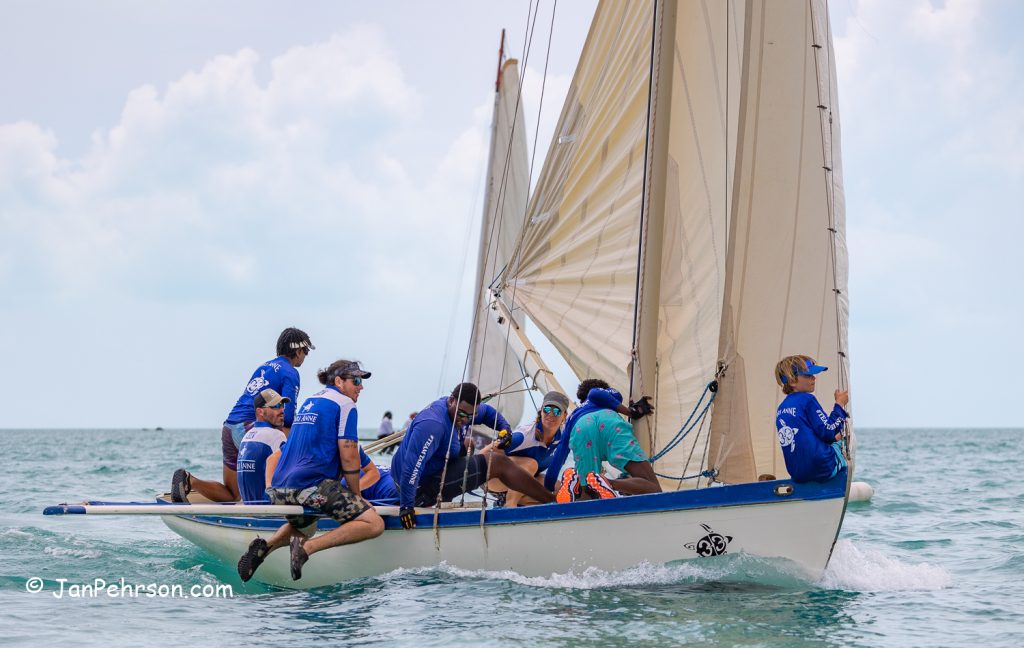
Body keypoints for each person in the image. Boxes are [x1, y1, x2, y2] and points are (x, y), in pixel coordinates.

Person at [236, 359, 384, 583]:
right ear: (338, 381)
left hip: (280, 488)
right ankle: (307, 550)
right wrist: (357, 499)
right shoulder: (345, 404)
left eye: (361, 381)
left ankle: (266, 547)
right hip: (309, 486)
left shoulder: (309, 401)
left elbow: (276, 456)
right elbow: (349, 453)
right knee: (374, 524)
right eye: (355, 380)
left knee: (306, 527)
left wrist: (269, 488)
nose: (360, 386)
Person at [171, 327, 313, 503]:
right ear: (298, 351)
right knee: (295, 451)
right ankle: (276, 508)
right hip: (251, 427)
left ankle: (189, 480)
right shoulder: (290, 372)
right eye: (305, 352)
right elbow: (289, 416)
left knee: (233, 494)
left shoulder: (264, 366)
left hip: (229, 426)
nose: (305, 356)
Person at [390, 383, 555, 529]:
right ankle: (552, 501)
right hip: (420, 490)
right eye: (462, 415)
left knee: (468, 443)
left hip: (436, 469)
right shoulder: (433, 425)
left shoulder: (465, 410)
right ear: (451, 400)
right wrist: (406, 506)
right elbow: (411, 468)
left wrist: (505, 429)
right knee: (498, 462)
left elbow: (488, 413)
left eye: (471, 416)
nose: (465, 420)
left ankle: (541, 498)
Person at [550, 379, 661, 503]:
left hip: (580, 428)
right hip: (608, 423)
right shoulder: (606, 393)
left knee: (587, 490)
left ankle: (575, 483)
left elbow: (560, 452)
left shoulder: (573, 415)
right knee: (652, 486)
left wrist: (549, 483)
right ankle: (607, 482)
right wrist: (631, 412)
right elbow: (595, 393)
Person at [486, 391, 570, 507]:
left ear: (564, 415)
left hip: (523, 482)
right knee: (531, 464)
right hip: (494, 479)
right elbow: (485, 453)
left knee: (560, 491)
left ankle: (507, 501)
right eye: (546, 410)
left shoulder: (564, 439)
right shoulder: (523, 435)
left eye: (556, 411)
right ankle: (510, 505)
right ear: (541, 411)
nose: (550, 414)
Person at [774, 355, 850, 483]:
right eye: (808, 375)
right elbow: (828, 431)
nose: (814, 378)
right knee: (842, 440)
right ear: (792, 381)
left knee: (832, 438)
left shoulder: (781, 409)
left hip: (798, 474)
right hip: (823, 467)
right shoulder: (807, 399)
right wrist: (839, 405)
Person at [235, 388, 289, 503]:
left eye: (282, 405)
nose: (282, 410)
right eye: (275, 406)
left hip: (249, 508)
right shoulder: (276, 436)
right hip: (269, 512)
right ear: (260, 411)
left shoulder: (247, 436)